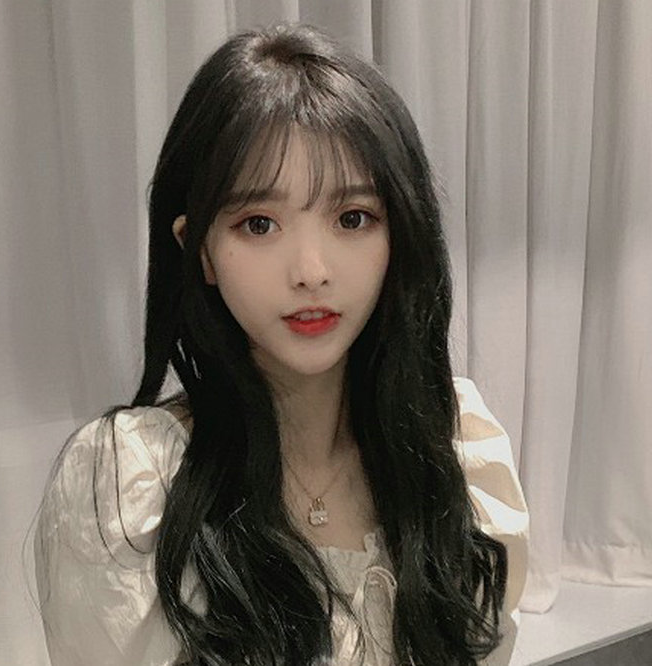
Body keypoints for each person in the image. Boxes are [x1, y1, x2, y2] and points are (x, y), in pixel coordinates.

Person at [34, 23, 528, 666]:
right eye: (259, 224)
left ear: (398, 234)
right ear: (199, 249)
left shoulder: (454, 447)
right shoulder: (134, 491)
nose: (311, 271)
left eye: (352, 218)